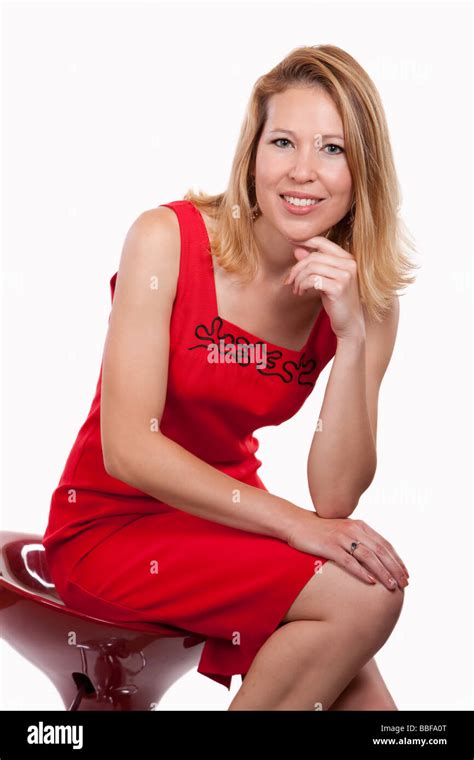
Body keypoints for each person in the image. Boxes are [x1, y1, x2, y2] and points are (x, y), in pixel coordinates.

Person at [42, 43, 418, 711]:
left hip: (229, 522)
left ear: (364, 171)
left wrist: (356, 336)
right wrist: (292, 526)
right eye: (283, 142)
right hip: (112, 526)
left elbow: (334, 500)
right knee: (359, 599)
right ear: (252, 155)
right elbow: (129, 448)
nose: (303, 172)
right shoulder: (167, 239)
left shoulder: (366, 300)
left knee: (373, 709)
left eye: (333, 149)